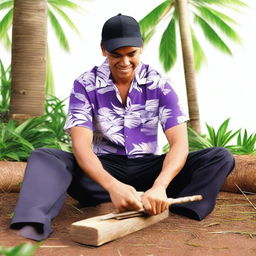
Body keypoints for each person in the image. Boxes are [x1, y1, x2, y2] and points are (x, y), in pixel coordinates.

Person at [10, 14, 235, 241]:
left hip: (149, 169)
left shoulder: (160, 84)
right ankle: (33, 221)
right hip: (101, 174)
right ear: (103, 50)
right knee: (44, 156)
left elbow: (179, 143)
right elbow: (81, 146)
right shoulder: (85, 84)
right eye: (116, 55)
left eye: (131, 54)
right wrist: (112, 186)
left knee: (220, 156)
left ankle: (173, 209)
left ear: (141, 48)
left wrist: (160, 185)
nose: (125, 62)